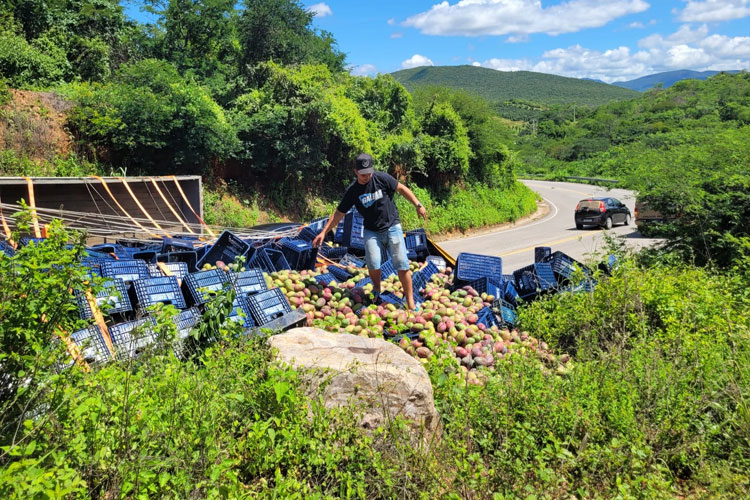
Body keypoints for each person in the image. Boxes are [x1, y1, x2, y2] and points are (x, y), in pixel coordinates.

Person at [312, 153, 427, 310]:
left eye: (369, 173)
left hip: (392, 225)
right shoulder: (353, 191)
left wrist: (418, 204)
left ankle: (410, 301)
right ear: (356, 172)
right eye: (363, 174)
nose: (367, 176)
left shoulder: (381, 178)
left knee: (402, 263)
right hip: (371, 230)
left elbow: (401, 188)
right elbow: (339, 213)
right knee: (373, 263)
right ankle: (377, 289)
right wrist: (324, 232)